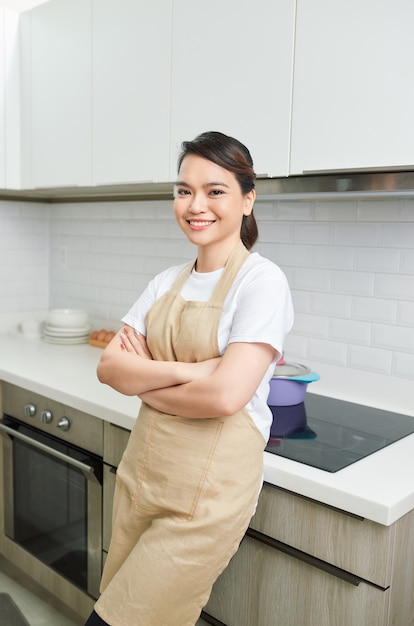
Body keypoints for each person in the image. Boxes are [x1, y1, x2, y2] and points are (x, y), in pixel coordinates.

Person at [85, 131, 294, 626]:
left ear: (247, 199)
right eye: (184, 191)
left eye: (215, 191)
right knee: (119, 603)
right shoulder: (165, 281)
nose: (195, 204)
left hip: (205, 500)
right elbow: (110, 367)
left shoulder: (262, 282)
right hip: (143, 481)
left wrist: (148, 380)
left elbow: (225, 397)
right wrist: (191, 370)